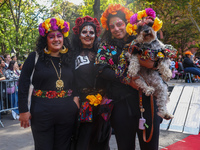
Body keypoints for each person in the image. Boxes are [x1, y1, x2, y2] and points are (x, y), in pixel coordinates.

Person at [95, 4, 162, 150]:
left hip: (147, 101)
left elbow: (160, 55)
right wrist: (127, 80)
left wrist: (154, 64)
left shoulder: (141, 38)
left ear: (127, 23)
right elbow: (102, 69)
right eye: (112, 26)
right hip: (121, 104)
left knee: (150, 146)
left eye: (119, 24)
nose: (116, 29)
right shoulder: (105, 46)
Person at [18, 17, 79, 150]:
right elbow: (23, 84)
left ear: (64, 38)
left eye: (59, 36)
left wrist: (75, 98)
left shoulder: (70, 59)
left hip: (66, 111)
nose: (56, 39)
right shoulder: (34, 58)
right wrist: (23, 110)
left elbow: (77, 81)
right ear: (45, 39)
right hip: (41, 112)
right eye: (51, 36)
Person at [71, 15, 111, 150]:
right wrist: (75, 95)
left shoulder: (103, 53)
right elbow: (69, 78)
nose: (88, 35)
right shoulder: (72, 55)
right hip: (82, 103)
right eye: (84, 32)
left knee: (101, 137)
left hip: (103, 104)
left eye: (91, 32)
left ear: (96, 35)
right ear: (79, 34)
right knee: (84, 138)